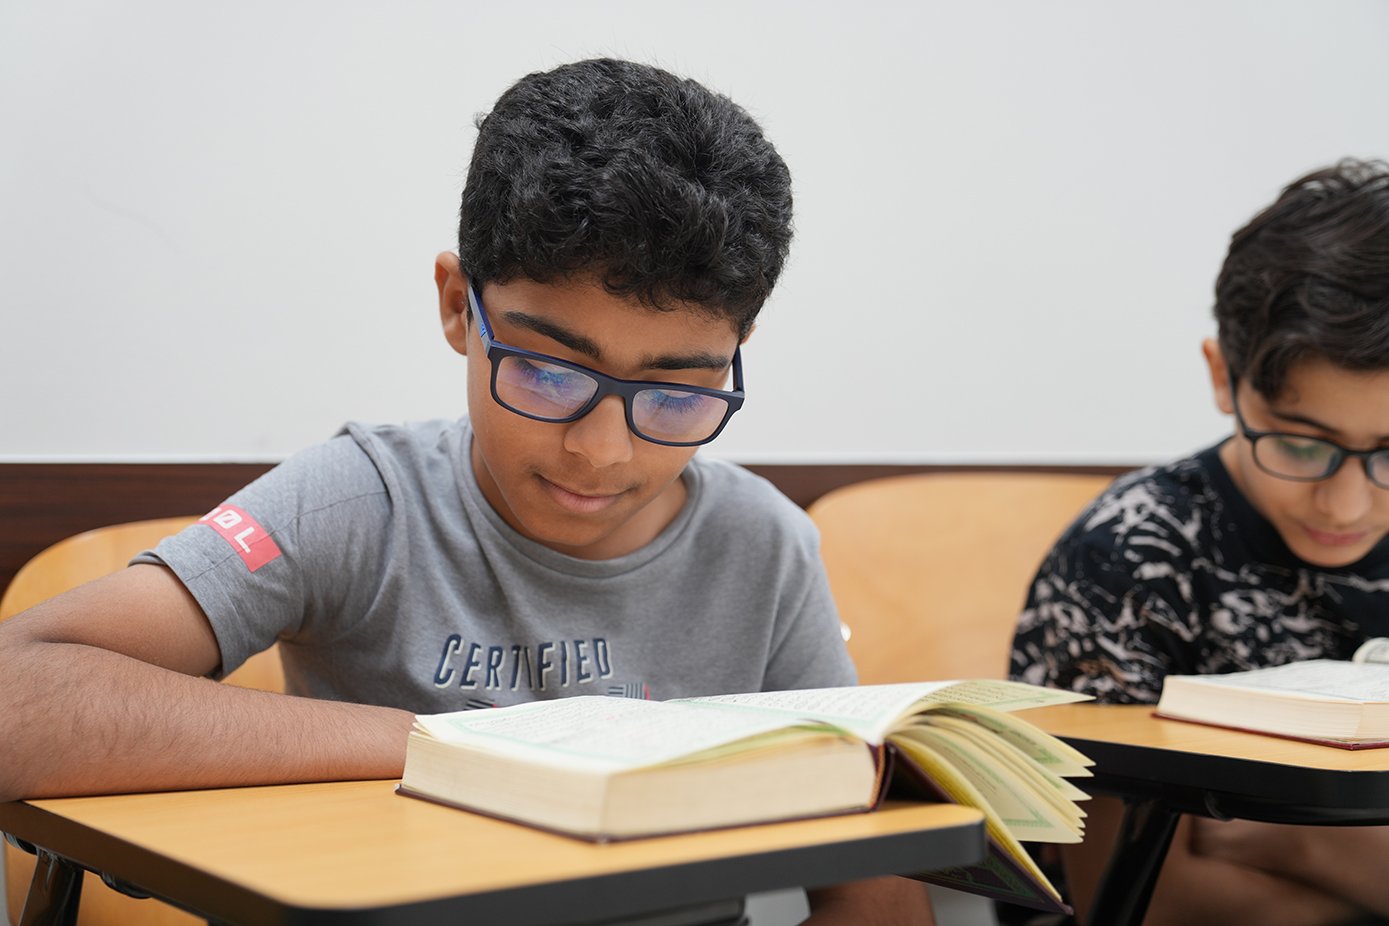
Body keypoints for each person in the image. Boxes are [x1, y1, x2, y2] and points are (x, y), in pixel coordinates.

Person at [0, 58, 933, 923]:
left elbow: (873, 888)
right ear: (459, 306)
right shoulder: (362, 503)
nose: (601, 452)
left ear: (734, 353)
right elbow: (15, 696)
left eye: (676, 393)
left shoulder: (760, 544)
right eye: (548, 373)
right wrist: (448, 748)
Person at [1010, 158, 1389, 926]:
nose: (1346, 503)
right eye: (1300, 444)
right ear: (1223, 376)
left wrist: (1297, 842)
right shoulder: (1127, 560)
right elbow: (1135, 896)